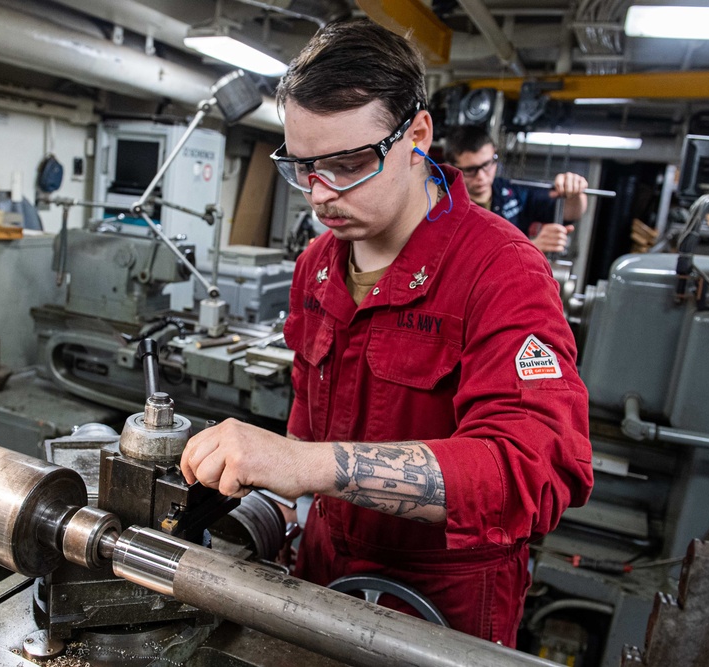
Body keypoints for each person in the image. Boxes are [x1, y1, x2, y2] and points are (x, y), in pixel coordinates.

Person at [180, 17, 593, 647]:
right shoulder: (319, 264)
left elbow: (533, 470)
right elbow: (308, 426)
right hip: (321, 571)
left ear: (418, 135)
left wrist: (307, 464)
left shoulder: (501, 272)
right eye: (303, 167)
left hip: (442, 600)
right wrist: (262, 506)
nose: (319, 195)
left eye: (347, 164)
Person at [443, 125, 589, 254]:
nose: (481, 176)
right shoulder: (443, 208)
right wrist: (531, 248)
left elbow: (569, 212)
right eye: (470, 170)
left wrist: (574, 191)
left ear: (494, 154)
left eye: (487, 164)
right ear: (451, 168)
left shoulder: (512, 192)